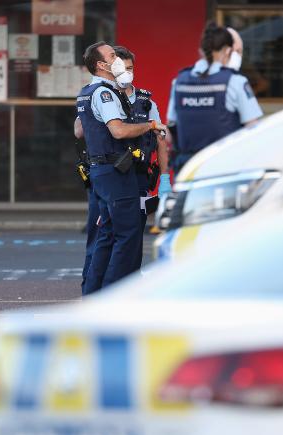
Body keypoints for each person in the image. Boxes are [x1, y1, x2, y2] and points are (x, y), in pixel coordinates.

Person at [75, 45, 171, 289]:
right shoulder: (105, 93)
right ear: (101, 65)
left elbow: (161, 140)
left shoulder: (137, 99)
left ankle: (95, 291)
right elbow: (116, 130)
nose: (118, 63)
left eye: (127, 65)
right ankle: (114, 293)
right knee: (124, 236)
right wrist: (148, 126)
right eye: (113, 58)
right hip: (114, 172)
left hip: (124, 174)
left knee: (109, 234)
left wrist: (165, 178)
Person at [167, 23, 263, 174]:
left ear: (201, 51)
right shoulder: (235, 81)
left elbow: (170, 133)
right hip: (223, 170)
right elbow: (254, 130)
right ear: (227, 51)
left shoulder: (179, 81)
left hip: (187, 171)